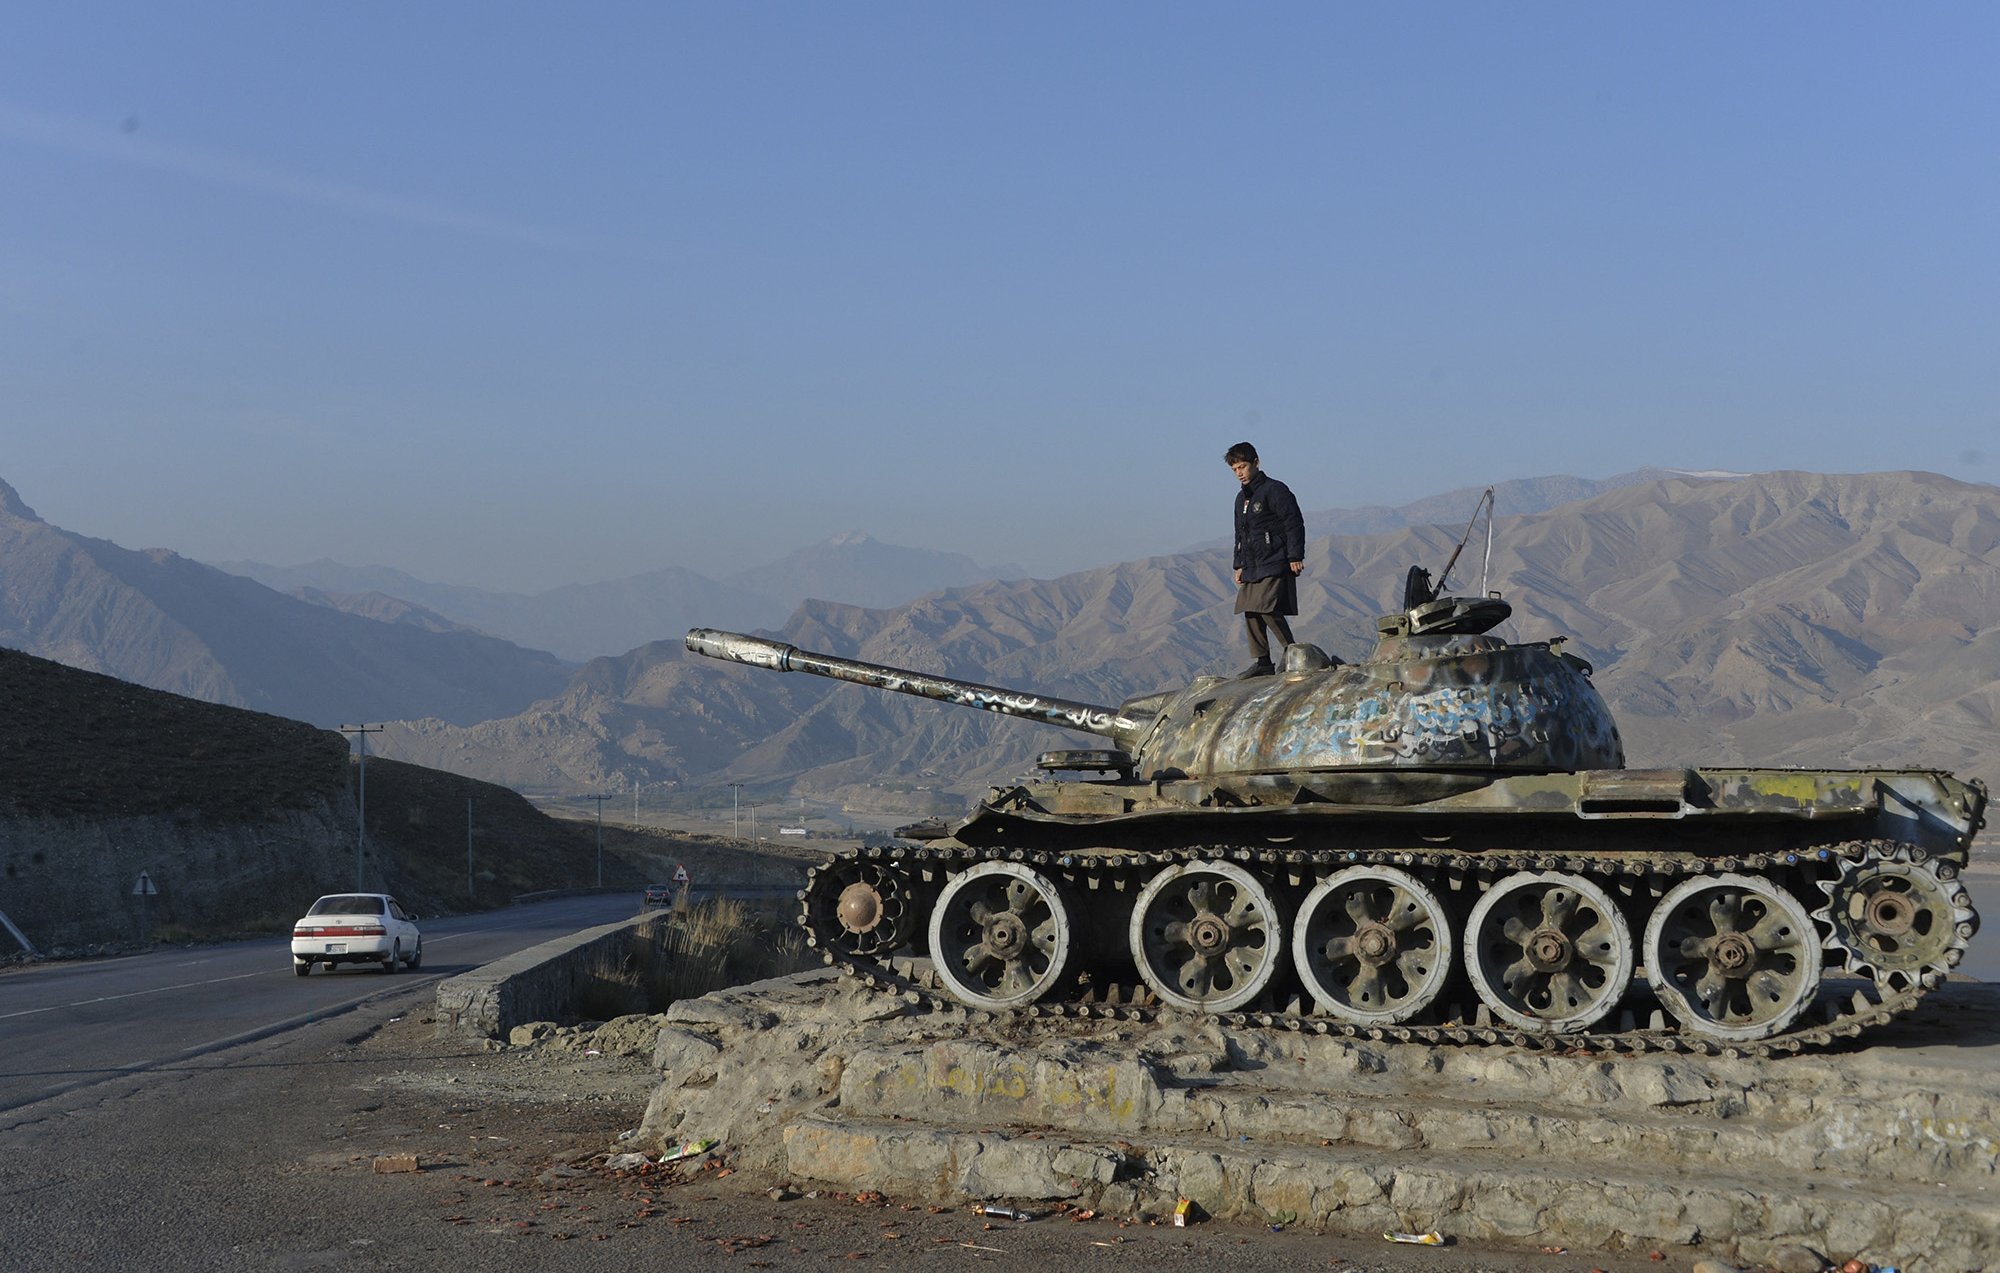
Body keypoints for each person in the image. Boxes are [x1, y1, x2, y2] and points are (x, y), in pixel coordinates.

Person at [1226, 441, 1304, 677]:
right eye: (1235, 469)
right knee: (1249, 610)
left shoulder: (1275, 490)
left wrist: (1294, 555)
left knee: (1265, 607)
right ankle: (1263, 662)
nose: (1239, 473)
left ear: (1256, 463)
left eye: (1243, 466)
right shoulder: (1241, 500)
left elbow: (1293, 523)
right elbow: (1240, 534)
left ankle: (1292, 652)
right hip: (1253, 564)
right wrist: (1238, 564)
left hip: (1275, 559)